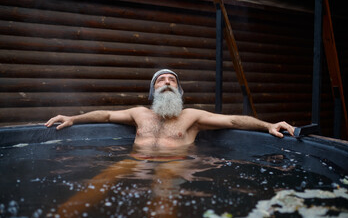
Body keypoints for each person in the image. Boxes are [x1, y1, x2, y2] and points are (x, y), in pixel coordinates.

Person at [45, 69, 295, 148]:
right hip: (135, 163)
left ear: (179, 91)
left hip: (176, 164)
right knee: (98, 183)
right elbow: (106, 115)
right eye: (160, 81)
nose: (166, 82)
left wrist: (268, 125)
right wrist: (73, 119)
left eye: (172, 80)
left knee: (163, 203)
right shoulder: (139, 113)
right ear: (153, 91)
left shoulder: (192, 116)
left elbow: (233, 121)